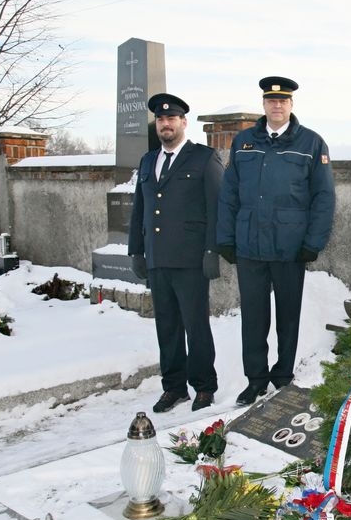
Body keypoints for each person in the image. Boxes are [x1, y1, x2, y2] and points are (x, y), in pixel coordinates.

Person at [217, 76, 335, 406]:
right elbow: (228, 195)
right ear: (264, 104)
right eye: (271, 100)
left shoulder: (311, 143)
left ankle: (283, 375)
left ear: (291, 105)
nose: (277, 105)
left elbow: (324, 197)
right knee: (253, 317)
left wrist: (313, 242)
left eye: (283, 101)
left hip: (290, 247)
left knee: (288, 316)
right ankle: (255, 379)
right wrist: (225, 238)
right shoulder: (243, 142)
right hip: (250, 246)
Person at [128, 93, 224, 413]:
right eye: (160, 119)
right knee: (166, 326)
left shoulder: (203, 158)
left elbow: (216, 208)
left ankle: (204, 387)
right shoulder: (147, 160)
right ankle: (174, 387)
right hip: (157, 258)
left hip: (190, 259)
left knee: (195, 326)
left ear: (183, 122)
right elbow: (139, 209)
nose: (165, 124)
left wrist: (212, 250)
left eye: (171, 119)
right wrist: (136, 251)